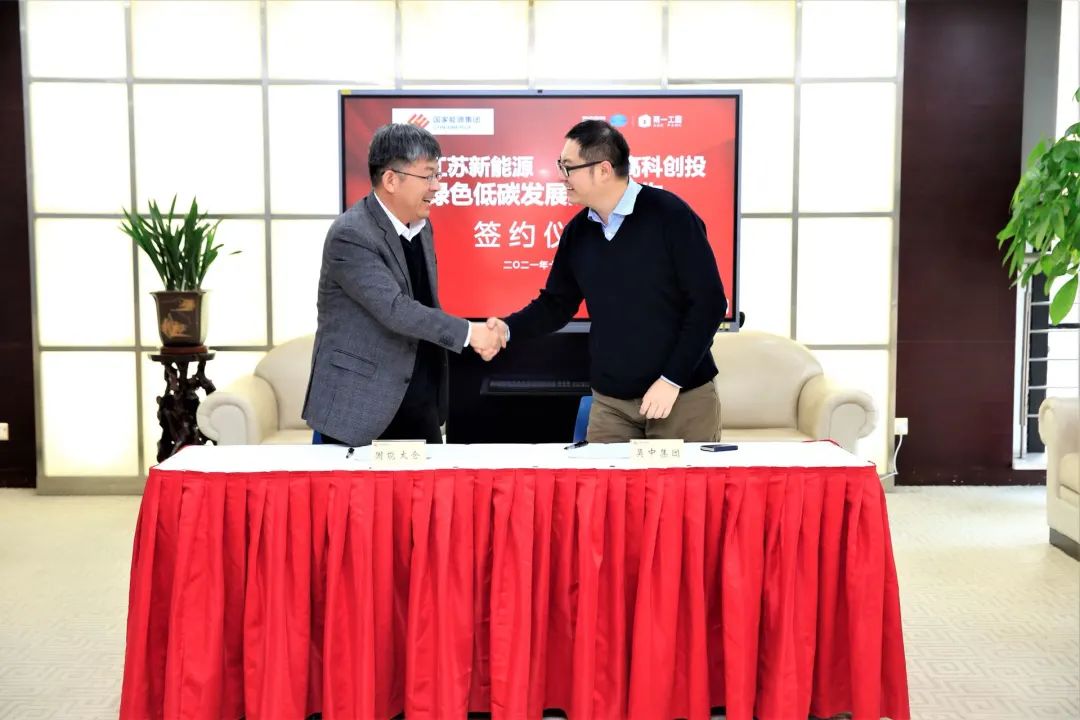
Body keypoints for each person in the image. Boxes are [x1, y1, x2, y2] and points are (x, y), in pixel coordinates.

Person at [488, 120, 727, 442]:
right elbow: (556, 304)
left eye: (568, 167)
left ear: (603, 170)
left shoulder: (670, 215)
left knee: (682, 478)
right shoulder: (578, 232)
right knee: (603, 476)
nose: (562, 176)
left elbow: (710, 304)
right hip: (612, 403)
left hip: (681, 396)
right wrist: (505, 329)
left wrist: (672, 380)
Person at [302, 123, 504, 447]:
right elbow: (396, 310)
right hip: (359, 409)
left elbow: (425, 301)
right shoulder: (351, 234)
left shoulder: (421, 227)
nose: (437, 186)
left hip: (418, 402)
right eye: (428, 176)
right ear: (391, 180)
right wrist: (470, 333)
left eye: (437, 175)